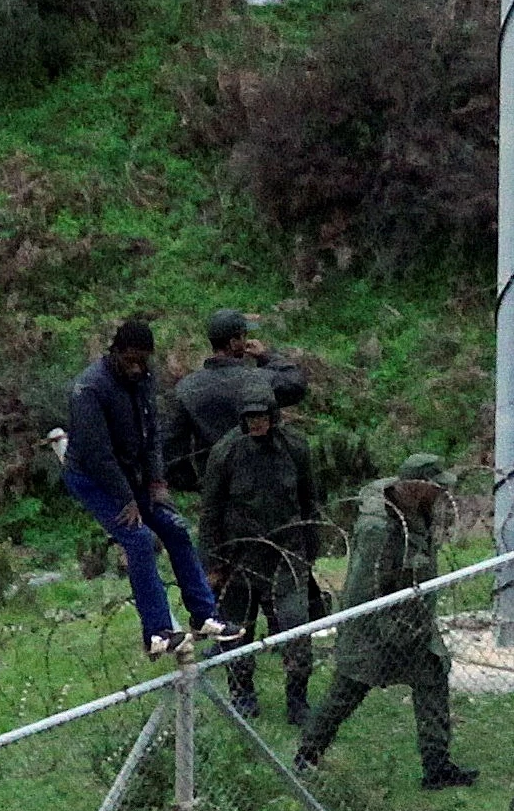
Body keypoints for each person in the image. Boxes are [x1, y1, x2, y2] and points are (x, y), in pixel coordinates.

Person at [296, 454, 479, 790]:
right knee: (346, 691)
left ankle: (437, 767)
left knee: (432, 679)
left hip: (413, 623)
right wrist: (390, 632)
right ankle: (306, 756)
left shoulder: (416, 514)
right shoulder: (380, 528)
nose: (441, 494)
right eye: (436, 487)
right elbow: (366, 588)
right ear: (416, 487)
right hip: (375, 630)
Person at [62, 320, 229, 660]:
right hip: (95, 478)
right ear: (117, 353)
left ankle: (204, 615)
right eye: (131, 361)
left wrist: (156, 481)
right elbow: (97, 454)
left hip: (133, 474)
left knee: (175, 528)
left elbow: (153, 435)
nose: (137, 368)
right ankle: (156, 631)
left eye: (144, 361)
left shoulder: (143, 380)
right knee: (138, 540)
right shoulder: (89, 390)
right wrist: (126, 499)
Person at [193, 370, 325, 720]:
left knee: (297, 628)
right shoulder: (225, 453)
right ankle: (242, 694)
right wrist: (213, 564)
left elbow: (309, 500)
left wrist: (310, 552)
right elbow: (211, 512)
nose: (257, 423)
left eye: (262, 416)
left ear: (274, 415)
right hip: (242, 556)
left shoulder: (295, 447)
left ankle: (298, 699)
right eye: (250, 417)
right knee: (238, 632)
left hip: (288, 554)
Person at [165, 306, 311, 503]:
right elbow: (296, 384)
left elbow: (172, 447)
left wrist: (195, 484)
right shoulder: (257, 380)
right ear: (234, 342)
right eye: (243, 336)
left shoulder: (185, 388)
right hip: (264, 483)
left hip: (218, 489)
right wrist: (266, 356)